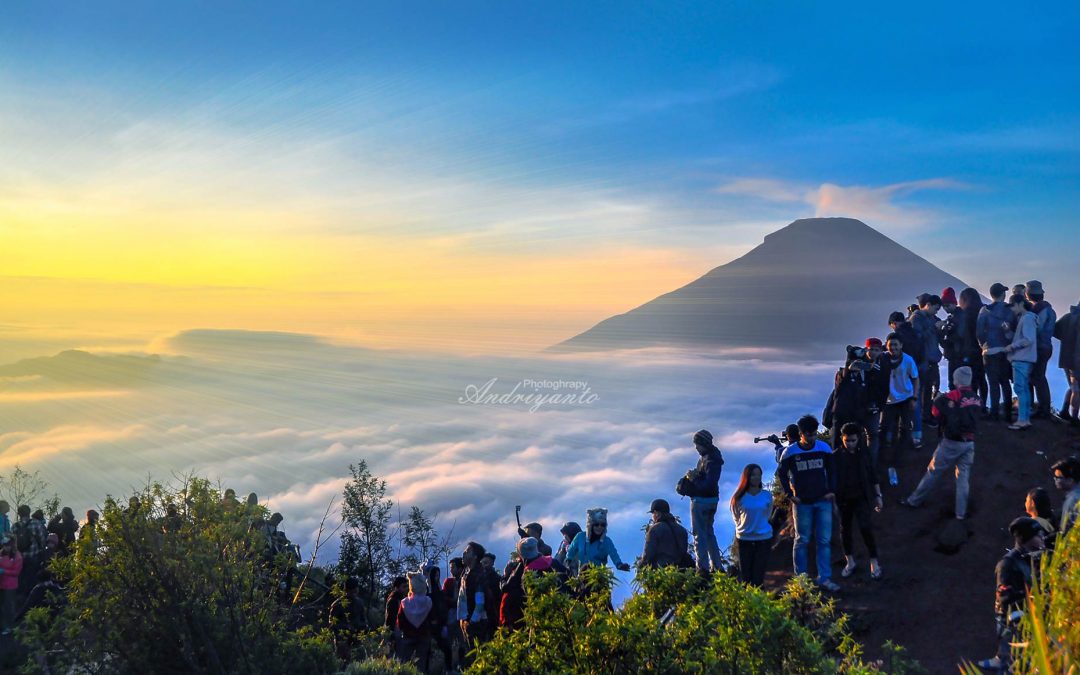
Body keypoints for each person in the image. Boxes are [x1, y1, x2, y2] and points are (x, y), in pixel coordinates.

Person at [901, 367, 980, 519]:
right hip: (969, 442)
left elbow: (935, 411)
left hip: (951, 441)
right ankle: (960, 514)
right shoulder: (976, 398)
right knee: (963, 478)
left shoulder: (952, 396)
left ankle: (914, 500)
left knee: (933, 471)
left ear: (957, 379)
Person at [778, 415, 839, 592]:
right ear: (801, 434)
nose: (812, 438)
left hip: (822, 500)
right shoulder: (790, 452)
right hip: (802, 502)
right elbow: (782, 475)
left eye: (814, 434)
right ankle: (801, 581)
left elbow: (832, 471)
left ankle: (825, 578)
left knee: (824, 540)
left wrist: (831, 491)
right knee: (802, 539)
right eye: (808, 435)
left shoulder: (824, 448)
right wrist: (790, 495)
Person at [976, 517, 1045, 672]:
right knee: (1013, 667)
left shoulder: (1034, 558)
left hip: (1030, 622)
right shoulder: (1008, 564)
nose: (1042, 538)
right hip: (1014, 626)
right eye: (1037, 535)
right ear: (1026, 538)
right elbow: (1005, 599)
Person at [833, 423, 883, 580]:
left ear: (858, 439)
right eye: (847, 440)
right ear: (842, 438)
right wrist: (834, 501)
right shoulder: (835, 457)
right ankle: (850, 562)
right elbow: (832, 481)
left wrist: (878, 496)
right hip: (843, 499)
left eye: (853, 440)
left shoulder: (864, 453)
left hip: (862, 496)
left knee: (865, 528)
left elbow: (873, 474)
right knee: (845, 531)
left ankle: (874, 562)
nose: (850, 444)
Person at [675, 429, 725, 572]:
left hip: (701, 501)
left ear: (703, 443)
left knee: (699, 535)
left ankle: (702, 569)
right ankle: (717, 567)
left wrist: (693, 478)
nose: (696, 447)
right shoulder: (713, 456)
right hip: (713, 500)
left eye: (697, 444)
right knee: (709, 533)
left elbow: (707, 485)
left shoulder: (709, 459)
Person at [499, 537, 567, 631]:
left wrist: (505, 576)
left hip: (541, 619)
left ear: (521, 554)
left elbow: (506, 588)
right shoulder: (553, 562)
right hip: (564, 610)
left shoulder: (527, 573)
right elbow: (568, 576)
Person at [881, 334, 919, 481]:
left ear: (901, 345)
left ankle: (899, 458)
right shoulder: (883, 359)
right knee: (885, 428)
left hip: (905, 398)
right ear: (887, 345)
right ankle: (884, 458)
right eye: (891, 345)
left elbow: (915, 379)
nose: (893, 348)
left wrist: (914, 397)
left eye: (896, 345)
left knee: (904, 429)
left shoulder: (908, 360)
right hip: (888, 400)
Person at [977, 283, 1015, 421]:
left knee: (993, 383)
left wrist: (983, 346)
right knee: (1005, 381)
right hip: (1005, 350)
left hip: (989, 350)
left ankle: (994, 413)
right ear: (1003, 294)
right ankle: (1008, 413)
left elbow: (979, 331)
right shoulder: (1009, 310)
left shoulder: (984, 310)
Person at [730, 465, 773, 586]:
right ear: (747, 477)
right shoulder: (738, 497)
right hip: (744, 539)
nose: (756, 478)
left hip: (763, 539)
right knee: (745, 577)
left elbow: (768, 515)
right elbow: (736, 517)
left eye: (759, 475)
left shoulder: (767, 496)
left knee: (758, 577)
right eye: (753, 474)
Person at [909, 293, 944, 444]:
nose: (937, 312)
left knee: (928, 389)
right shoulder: (916, 318)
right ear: (928, 305)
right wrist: (933, 329)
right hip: (922, 361)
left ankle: (926, 416)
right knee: (921, 389)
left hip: (930, 360)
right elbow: (918, 337)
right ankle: (920, 420)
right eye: (936, 309)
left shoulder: (929, 318)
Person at [1002, 293, 1038, 430]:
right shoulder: (1026, 318)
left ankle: (1022, 420)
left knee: (1020, 389)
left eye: (1013, 306)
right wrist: (1007, 332)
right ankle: (1025, 417)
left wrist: (1011, 347)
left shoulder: (1027, 318)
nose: (1012, 309)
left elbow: (1028, 339)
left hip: (1021, 358)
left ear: (1020, 304)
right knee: (1024, 389)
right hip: (1024, 359)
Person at [1025, 281, 1056, 419]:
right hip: (1046, 346)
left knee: (1037, 377)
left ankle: (1043, 409)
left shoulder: (1038, 310)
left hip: (1038, 348)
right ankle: (1044, 407)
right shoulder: (1050, 309)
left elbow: (1036, 330)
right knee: (1040, 377)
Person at [566, 508, 631, 573]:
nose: (599, 527)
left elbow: (614, 554)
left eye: (602, 525)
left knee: (587, 567)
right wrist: (568, 560)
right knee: (555, 564)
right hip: (581, 575)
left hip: (598, 577)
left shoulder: (606, 541)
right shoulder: (580, 537)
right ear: (591, 525)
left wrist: (620, 565)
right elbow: (571, 550)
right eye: (596, 525)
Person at [640, 498, 692, 570]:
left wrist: (640, 566)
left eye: (653, 513)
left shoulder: (654, 529)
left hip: (662, 571)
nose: (652, 516)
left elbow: (648, 555)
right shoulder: (682, 530)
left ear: (656, 513)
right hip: (681, 570)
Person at [396, 572, 433, 667]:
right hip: (424, 635)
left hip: (408, 635)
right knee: (421, 663)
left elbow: (400, 621)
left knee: (404, 663)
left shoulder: (404, 602)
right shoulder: (428, 601)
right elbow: (432, 618)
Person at [1053, 298, 1080, 424]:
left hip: (1067, 358)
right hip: (1077, 360)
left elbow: (1055, 331)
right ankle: (1074, 419)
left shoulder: (1068, 317)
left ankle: (1064, 411)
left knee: (1073, 386)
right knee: (1077, 389)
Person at [12, 504, 47, 597]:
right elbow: (42, 540)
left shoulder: (15, 526)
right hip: (33, 557)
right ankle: (30, 600)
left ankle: (19, 600)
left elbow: (12, 543)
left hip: (19, 558)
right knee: (32, 579)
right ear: (29, 512)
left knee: (20, 579)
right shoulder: (36, 523)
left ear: (19, 514)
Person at [0, 536, 23, 635]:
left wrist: (4, 571)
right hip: (1, 584)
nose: (6, 548)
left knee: (9, 607)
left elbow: (16, 572)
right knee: (1, 607)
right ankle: (3, 626)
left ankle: (11, 627)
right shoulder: (1, 553)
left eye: (7, 546)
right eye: (4, 546)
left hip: (11, 585)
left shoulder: (17, 556)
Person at [1051, 456, 1080, 533]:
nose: (1055, 480)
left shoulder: (1073, 500)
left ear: (1070, 480)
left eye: (1058, 477)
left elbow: (1066, 530)